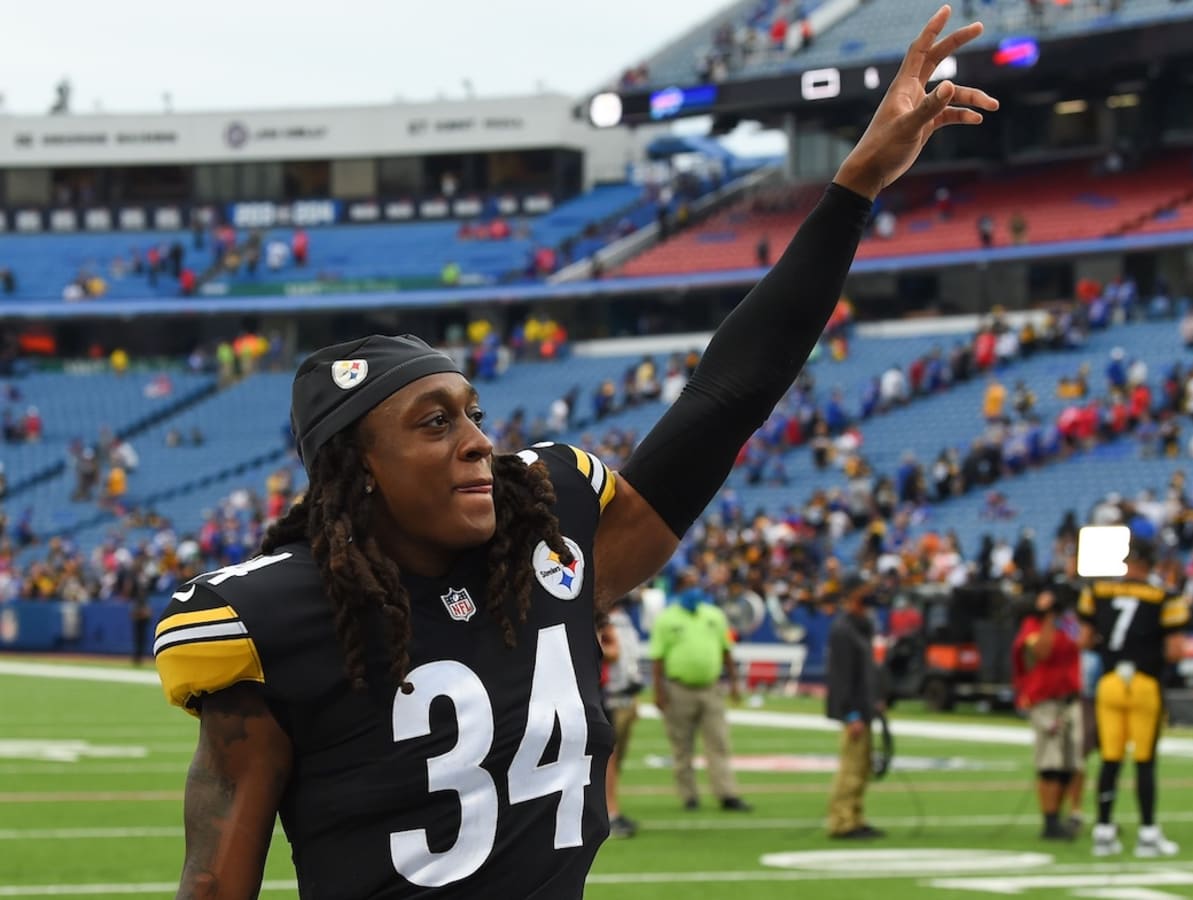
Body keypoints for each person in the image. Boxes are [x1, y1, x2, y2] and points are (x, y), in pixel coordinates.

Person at [151, 9, 997, 897]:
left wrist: (853, 187)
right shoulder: (272, 617)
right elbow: (215, 884)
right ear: (355, 469)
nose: (479, 441)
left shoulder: (545, 544)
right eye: (434, 423)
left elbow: (728, 395)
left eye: (473, 413)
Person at [1078, 537, 1189, 858]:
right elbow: (1174, 649)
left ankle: (1103, 830)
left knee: (1110, 758)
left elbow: (1084, 640)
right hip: (1143, 683)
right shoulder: (1163, 596)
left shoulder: (1097, 592)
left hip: (1110, 681)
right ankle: (1148, 833)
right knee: (1144, 760)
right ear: (1150, 564)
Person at [649, 570, 750, 812]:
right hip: (678, 688)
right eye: (687, 584)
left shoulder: (714, 615)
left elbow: (726, 650)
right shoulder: (666, 619)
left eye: (696, 584)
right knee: (681, 745)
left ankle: (726, 793)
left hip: (711, 687)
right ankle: (689, 796)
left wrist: (734, 683)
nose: (694, 590)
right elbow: (657, 658)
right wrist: (659, 692)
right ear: (678, 588)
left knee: (719, 741)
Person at [1011, 585, 1085, 840]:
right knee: (1050, 764)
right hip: (1045, 700)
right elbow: (1041, 651)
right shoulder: (1033, 624)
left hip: (1069, 698)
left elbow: (1083, 644)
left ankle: (1062, 815)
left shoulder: (1069, 624)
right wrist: (1048, 618)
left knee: (1069, 764)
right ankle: (1049, 819)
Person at [825, 574, 885, 839]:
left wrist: (876, 699)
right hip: (855, 711)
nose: (870, 594)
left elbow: (868, 670)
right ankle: (841, 821)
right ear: (852, 595)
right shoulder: (843, 630)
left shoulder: (863, 625)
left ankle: (856, 816)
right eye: (865, 590)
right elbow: (841, 676)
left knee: (862, 768)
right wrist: (851, 713)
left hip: (866, 706)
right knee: (850, 767)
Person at [600, 592, 644, 838]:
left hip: (604, 693)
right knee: (606, 758)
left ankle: (608, 809)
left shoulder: (614, 620)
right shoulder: (601, 619)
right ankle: (609, 812)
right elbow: (613, 652)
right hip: (600, 693)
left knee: (609, 757)